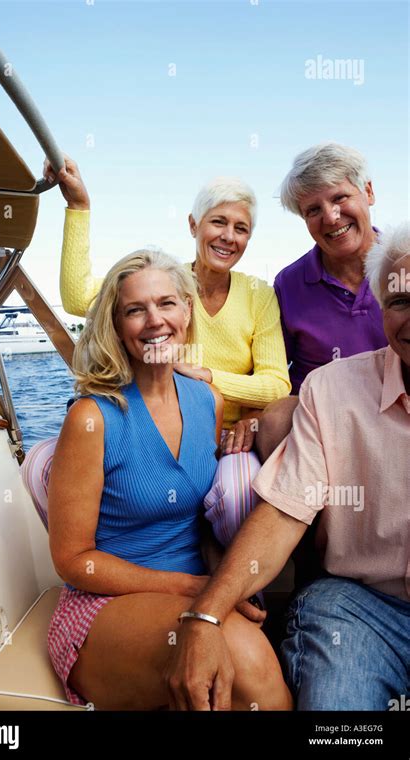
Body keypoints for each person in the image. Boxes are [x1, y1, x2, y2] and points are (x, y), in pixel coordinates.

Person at [163, 222, 410, 711]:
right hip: (359, 605)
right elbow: (284, 511)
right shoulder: (331, 389)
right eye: (402, 301)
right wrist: (206, 616)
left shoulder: (255, 298)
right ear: (382, 309)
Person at [46, 248, 292, 711]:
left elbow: (198, 519)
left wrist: (222, 581)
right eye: (135, 310)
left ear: (187, 310)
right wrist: (193, 589)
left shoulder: (208, 401)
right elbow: (74, 561)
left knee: (247, 666)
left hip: (198, 587)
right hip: (104, 604)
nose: (155, 320)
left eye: (166, 304)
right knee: (248, 660)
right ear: (117, 326)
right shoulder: (91, 418)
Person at [44, 157, 290, 458]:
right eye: (218, 222)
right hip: (160, 422)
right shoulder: (163, 283)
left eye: (241, 229)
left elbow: (276, 386)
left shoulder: (259, 295)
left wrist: (205, 375)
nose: (228, 236)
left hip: (230, 438)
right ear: (193, 225)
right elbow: (77, 298)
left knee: (236, 492)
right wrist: (79, 207)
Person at [256, 142, 388, 462]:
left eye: (340, 197)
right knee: (274, 419)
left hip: (395, 413)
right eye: (313, 210)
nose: (331, 217)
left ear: (368, 192)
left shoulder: (401, 264)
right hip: (321, 424)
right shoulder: (288, 284)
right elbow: (274, 372)